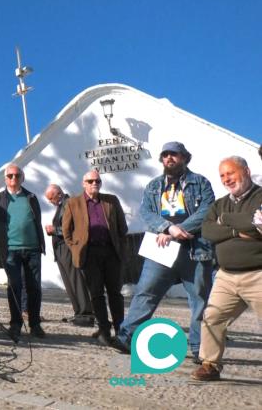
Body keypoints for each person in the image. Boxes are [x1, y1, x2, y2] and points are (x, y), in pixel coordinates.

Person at [111, 142, 214, 362]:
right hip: (162, 246)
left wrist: (179, 230)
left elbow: (207, 210)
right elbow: (146, 212)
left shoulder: (201, 183)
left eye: (174, 155)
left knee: (199, 299)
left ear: (185, 157)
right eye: (165, 155)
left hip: (194, 249)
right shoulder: (154, 185)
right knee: (146, 291)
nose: (169, 158)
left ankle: (200, 349)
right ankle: (126, 337)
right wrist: (167, 228)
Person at [191, 156, 262, 382]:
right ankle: (210, 365)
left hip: (258, 274)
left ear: (247, 171)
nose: (226, 179)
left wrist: (226, 220)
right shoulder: (219, 203)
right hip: (226, 276)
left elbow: (257, 223)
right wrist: (235, 230)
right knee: (212, 317)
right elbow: (207, 231)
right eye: (222, 175)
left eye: (230, 173)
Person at [61, 169, 128, 346]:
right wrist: (76, 248)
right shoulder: (73, 203)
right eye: (90, 181)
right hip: (89, 254)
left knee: (115, 293)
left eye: (97, 181)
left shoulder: (111, 201)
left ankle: (121, 330)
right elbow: (66, 232)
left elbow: (123, 228)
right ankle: (104, 330)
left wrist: (118, 246)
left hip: (111, 253)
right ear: (84, 183)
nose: (94, 184)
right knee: (96, 294)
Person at [0, 164, 47, 340]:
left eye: (17, 176)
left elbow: (37, 221)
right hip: (11, 251)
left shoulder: (31, 197)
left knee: (34, 288)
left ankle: (35, 324)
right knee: (14, 287)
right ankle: (15, 324)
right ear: (5, 179)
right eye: (10, 176)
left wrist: (40, 245)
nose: (13, 179)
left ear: (22, 177)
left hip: (32, 249)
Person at [44, 184, 93, 327]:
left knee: (76, 280)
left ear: (59, 194)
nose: (51, 202)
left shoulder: (69, 204)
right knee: (69, 282)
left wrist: (55, 230)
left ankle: (86, 313)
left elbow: (74, 228)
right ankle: (79, 312)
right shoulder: (62, 206)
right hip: (60, 250)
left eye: (51, 198)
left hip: (68, 248)